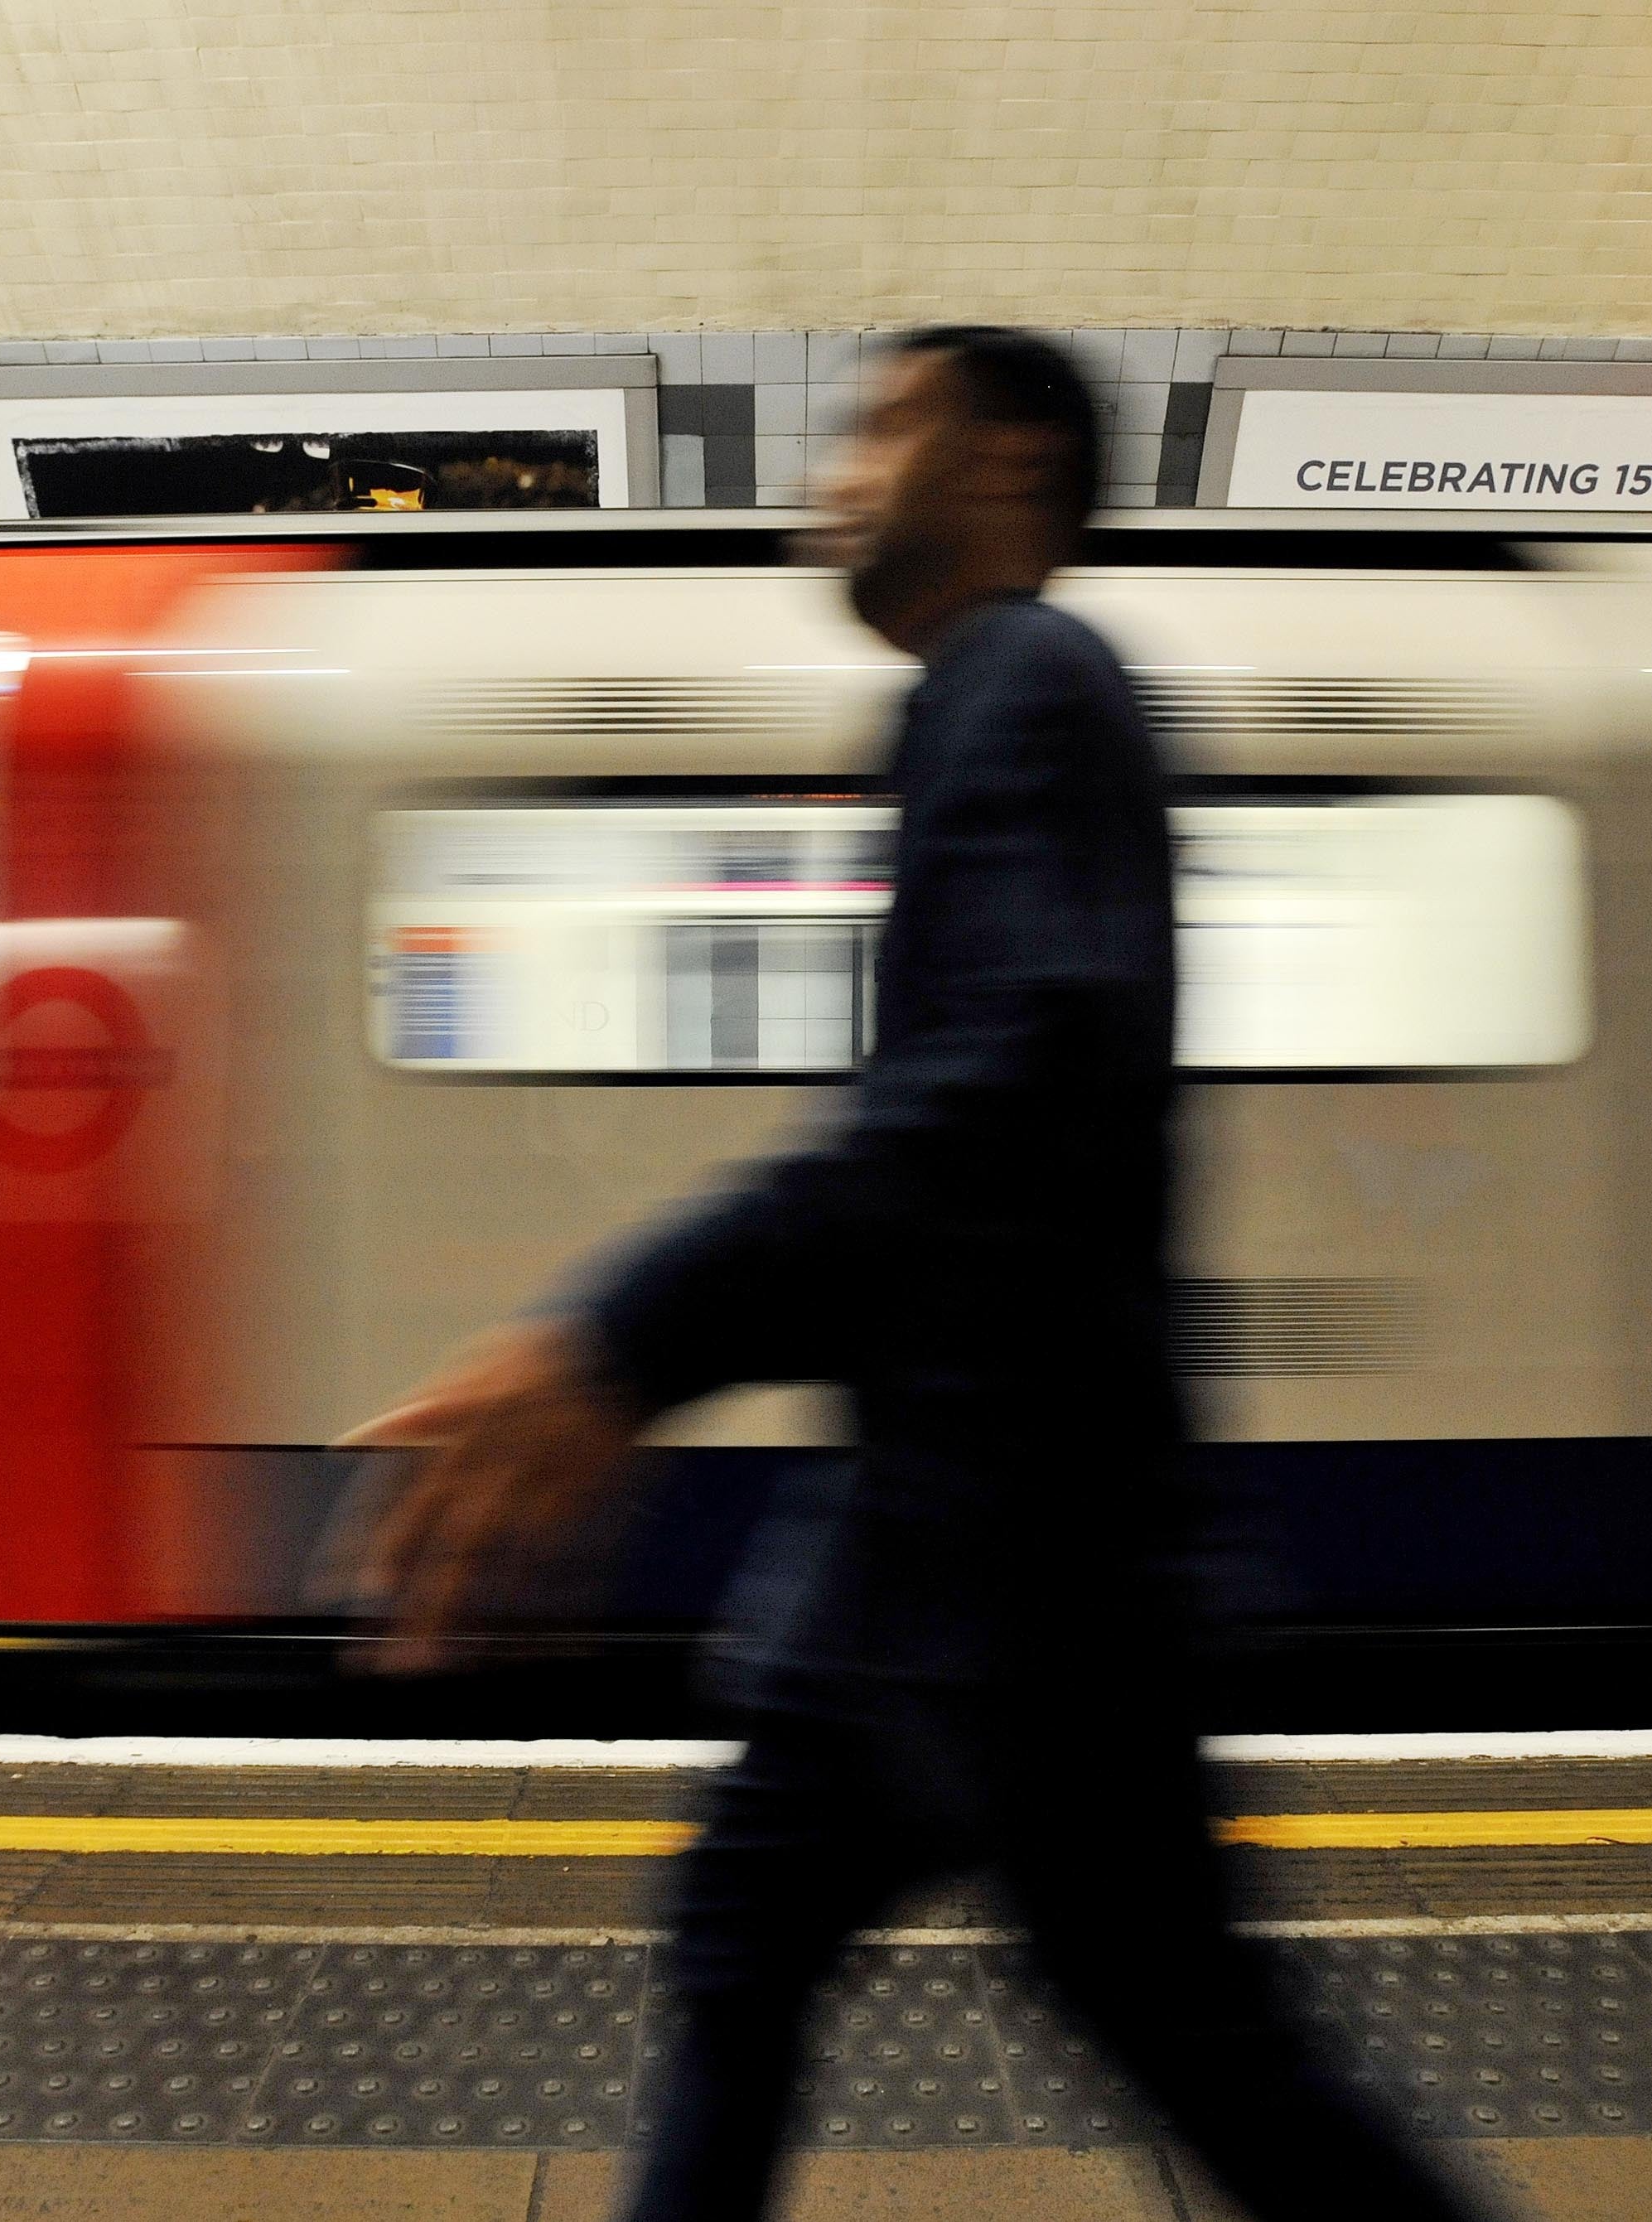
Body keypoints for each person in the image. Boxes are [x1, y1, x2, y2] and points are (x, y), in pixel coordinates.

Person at [340, 326, 1476, 2221]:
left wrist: (620, 1344)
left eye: (887, 421)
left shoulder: (1027, 672)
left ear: (1011, 457)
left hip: (1022, 1578)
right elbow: (976, 1119)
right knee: (744, 1951)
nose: (842, 460)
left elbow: (1007, 1082)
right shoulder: (987, 696)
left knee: (1208, 2058)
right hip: (925, 1552)